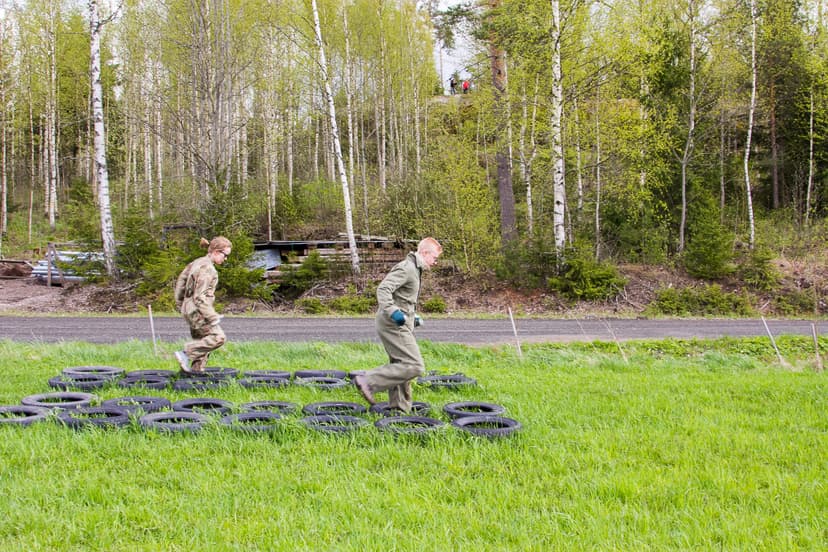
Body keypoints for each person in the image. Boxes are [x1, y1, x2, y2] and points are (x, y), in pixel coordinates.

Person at [353, 237, 443, 412]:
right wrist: (393, 311)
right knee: (415, 366)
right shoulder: (407, 268)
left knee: (401, 365)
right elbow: (383, 289)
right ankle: (368, 380)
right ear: (424, 253)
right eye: (434, 257)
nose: (435, 262)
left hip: (399, 322)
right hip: (392, 324)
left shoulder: (415, 269)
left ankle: (399, 410)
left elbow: (402, 297)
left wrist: (412, 316)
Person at [173, 236, 232, 375]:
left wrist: (181, 304)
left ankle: (194, 374)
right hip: (198, 310)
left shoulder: (197, 262)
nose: (226, 259)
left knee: (202, 342)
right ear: (217, 252)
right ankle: (185, 353)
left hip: (189, 308)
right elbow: (200, 297)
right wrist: (212, 316)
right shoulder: (208, 269)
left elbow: (180, 283)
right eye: (225, 255)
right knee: (218, 338)